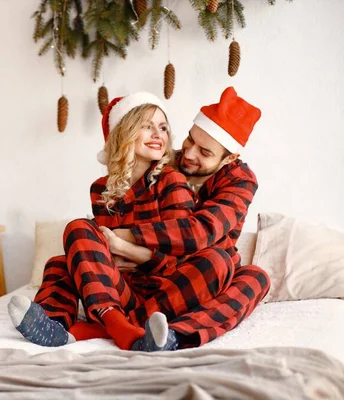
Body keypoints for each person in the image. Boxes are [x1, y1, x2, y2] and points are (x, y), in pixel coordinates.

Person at [8, 92, 236, 352]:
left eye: (163, 127)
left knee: (216, 262)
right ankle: (54, 325)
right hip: (119, 289)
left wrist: (121, 247)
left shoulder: (171, 181)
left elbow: (176, 259)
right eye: (146, 126)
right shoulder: (100, 190)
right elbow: (104, 257)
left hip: (165, 292)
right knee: (69, 244)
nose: (158, 134)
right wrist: (115, 253)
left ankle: (110, 329)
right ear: (124, 133)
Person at [109, 86, 271, 349]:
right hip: (150, 271)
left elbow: (202, 232)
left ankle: (172, 335)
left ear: (230, 158)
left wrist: (126, 236)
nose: (190, 153)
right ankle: (133, 324)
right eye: (190, 139)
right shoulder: (164, 162)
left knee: (255, 277)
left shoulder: (240, 180)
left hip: (203, 275)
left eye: (205, 152)